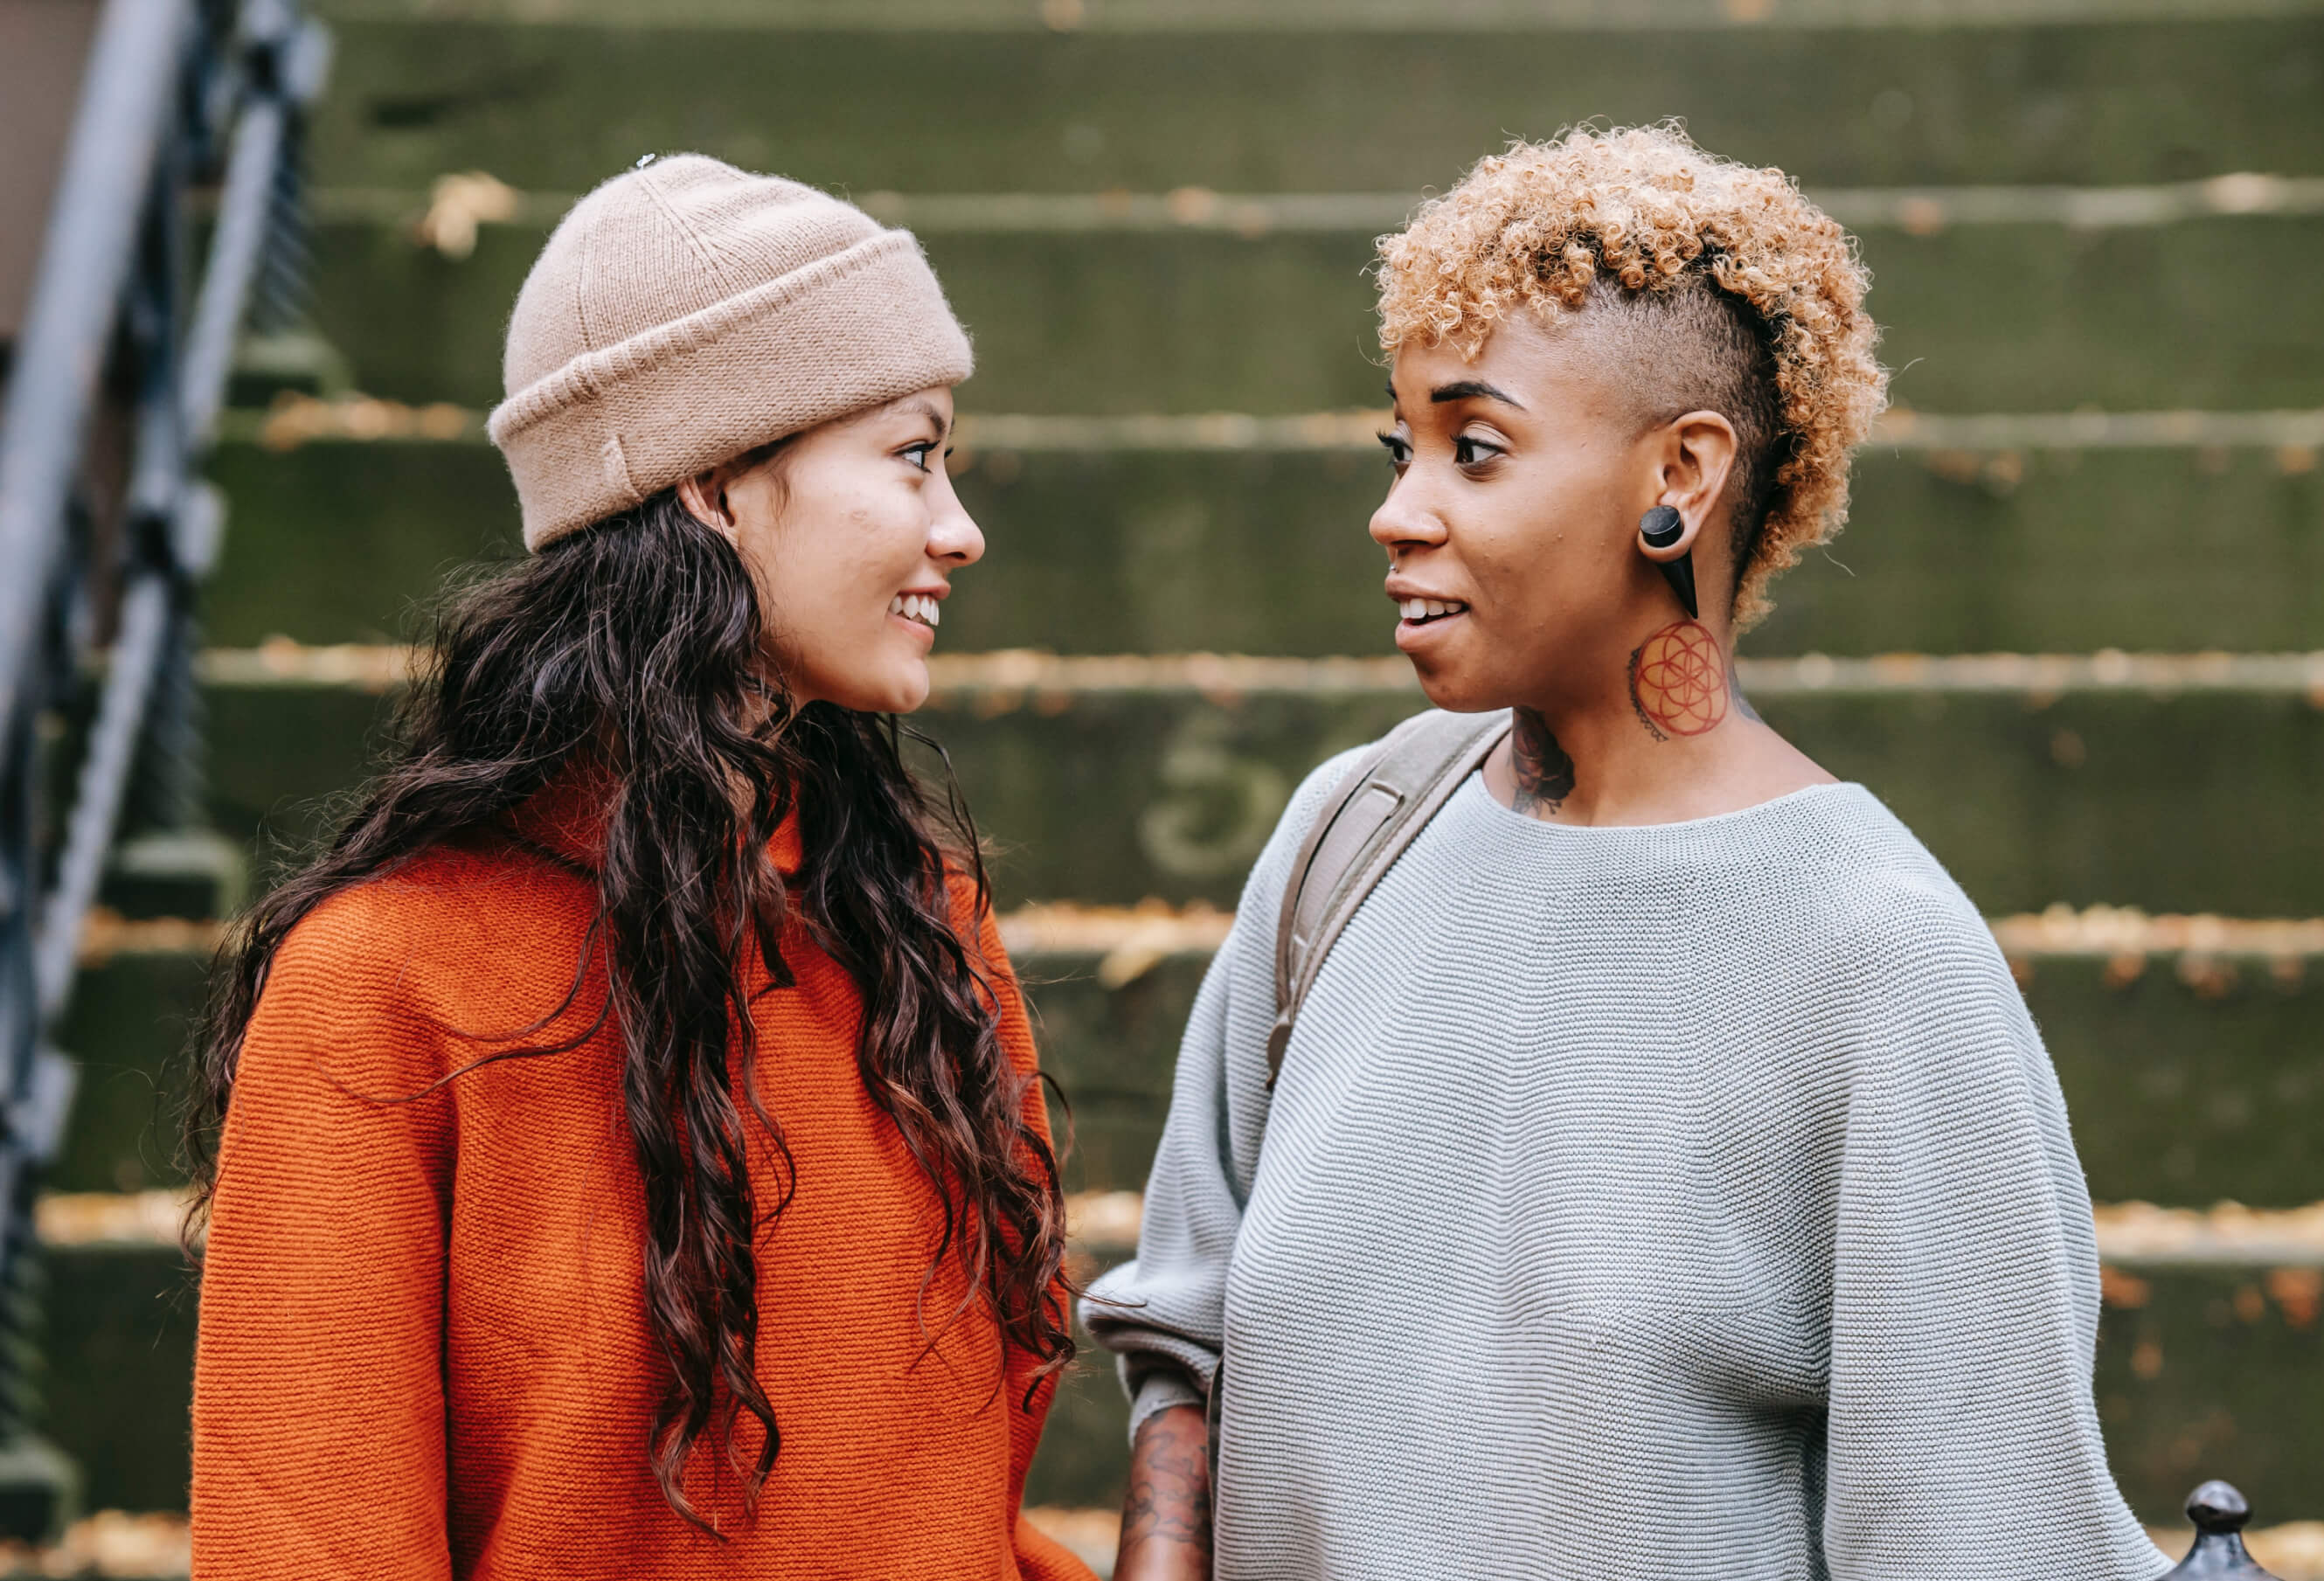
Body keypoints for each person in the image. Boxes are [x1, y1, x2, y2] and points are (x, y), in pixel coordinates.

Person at [1084, 125, 2167, 1581]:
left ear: (1680, 473)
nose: (1398, 510)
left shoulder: (1880, 963)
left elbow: (1976, 1538)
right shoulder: (1351, 838)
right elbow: (1186, 1333)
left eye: (1474, 449)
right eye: (1400, 446)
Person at [186, 156, 1093, 1580]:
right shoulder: (386, 986)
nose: (957, 526)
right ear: (719, 485)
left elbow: (944, 1507)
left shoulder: (922, 930)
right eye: (914, 454)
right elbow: (308, 1538)